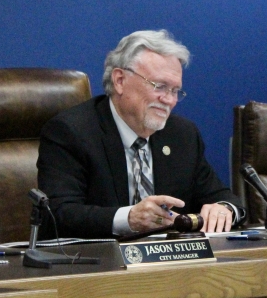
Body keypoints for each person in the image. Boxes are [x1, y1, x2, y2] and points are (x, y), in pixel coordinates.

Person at [37, 30, 244, 238]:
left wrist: (224, 209)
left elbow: (222, 197)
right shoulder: (71, 132)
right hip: (103, 263)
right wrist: (129, 219)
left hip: (171, 262)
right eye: (160, 86)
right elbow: (58, 213)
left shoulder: (182, 135)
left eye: (175, 91)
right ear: (120, 80)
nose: (169, 100)